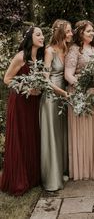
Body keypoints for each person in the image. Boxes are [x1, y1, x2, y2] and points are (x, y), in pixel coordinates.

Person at [0, 26, 45, 196]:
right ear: (30, 38)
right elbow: (7, 79)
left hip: (33, 103)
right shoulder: (20, 57)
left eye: (42, 35)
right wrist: (26, 87)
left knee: (31, 135)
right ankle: (18, 179)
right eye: (38, 34)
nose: (42, 37)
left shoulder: (38, 58)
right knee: (21, 136)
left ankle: (32, 176)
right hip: (20, 102)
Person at [64, 20, 94, 180]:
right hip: (81, 93)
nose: (92, 33)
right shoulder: (74, 50)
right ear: (80, 33)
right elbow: (68, 75)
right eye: (88, 31)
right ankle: (83, 169)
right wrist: (84, 86)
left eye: (92, 31)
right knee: (83, 132)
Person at [40, 19, 73, 191]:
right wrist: (62, 93)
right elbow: (44, 81)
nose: (71, 34)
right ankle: (52, 179)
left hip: (63, 97)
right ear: (60, 32)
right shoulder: (49, 51)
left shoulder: (66, 49)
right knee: (52, 136)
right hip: (51, 98)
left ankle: (62, 171)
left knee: (62, 135)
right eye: (68, 31)